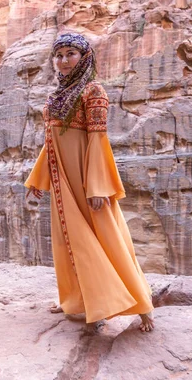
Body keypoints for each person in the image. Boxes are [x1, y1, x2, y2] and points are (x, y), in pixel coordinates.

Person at [25, 33, 155, 332]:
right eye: (58, 54)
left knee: (107, 239)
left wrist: (97, 186)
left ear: (84, 57)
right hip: (62, 182)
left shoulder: (93, 91)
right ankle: (76, 299)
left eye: (71, 53)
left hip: (86, 179)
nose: (63, 60)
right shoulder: (56, 95)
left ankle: (143, 308)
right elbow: (52, 140)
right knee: (68, 242)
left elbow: (98, 139)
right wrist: (38, 179)